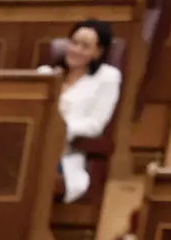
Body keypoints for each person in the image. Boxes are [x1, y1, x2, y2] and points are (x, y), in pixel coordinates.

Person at [47, 18, 121, 202]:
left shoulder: (107, 77)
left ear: (98, 52)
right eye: (74, 43)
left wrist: (59, 128)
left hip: (65, 154)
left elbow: (95, 125)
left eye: (85, 46)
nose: (76, 50)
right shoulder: (46, 74)